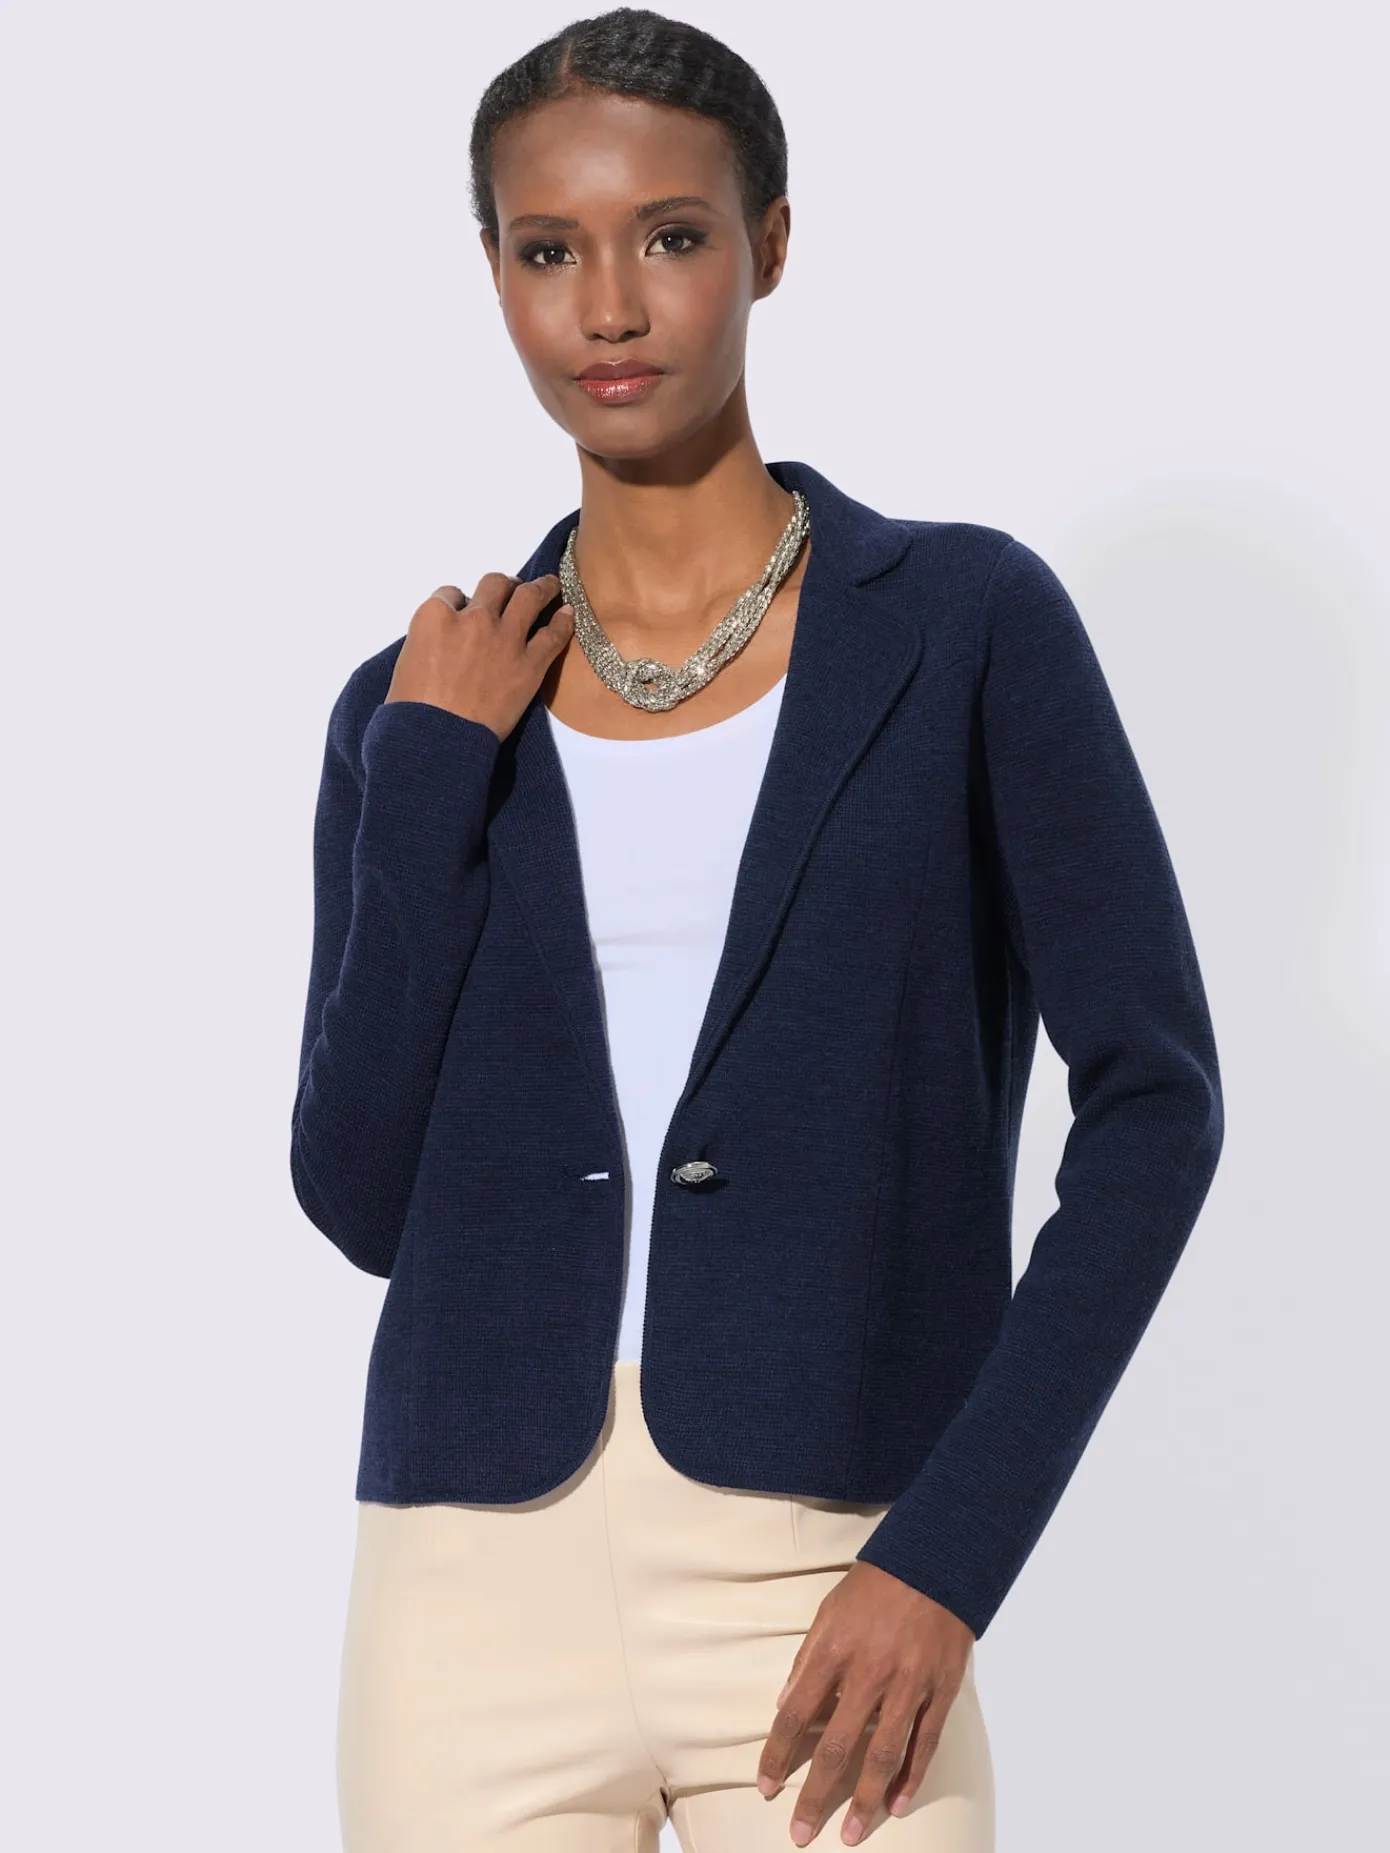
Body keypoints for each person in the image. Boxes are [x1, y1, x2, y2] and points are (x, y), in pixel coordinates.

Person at [289, 9, 1224, 1851]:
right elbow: (356, 1197)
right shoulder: (415, 706)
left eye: (670, 236)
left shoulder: (959, 626)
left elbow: (1153, 1106)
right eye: (546, 251)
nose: (607, 308)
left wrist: (948, 1553)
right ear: (492, 274)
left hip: (834, 1570)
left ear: (769, 243)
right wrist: (425, 776)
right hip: (465, 1592)